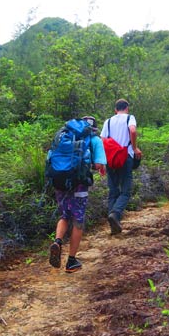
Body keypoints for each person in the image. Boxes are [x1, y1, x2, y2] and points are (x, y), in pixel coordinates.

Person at [49, 116, 106, 273]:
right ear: (94, 128)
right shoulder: (94, 140)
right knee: (78, 220)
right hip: (79, 184)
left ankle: (58, 242)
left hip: (60, 181)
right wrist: (93, 165)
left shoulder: (63, 135)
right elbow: (100, 164)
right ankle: (71, 261)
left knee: (64, 216)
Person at [100, 99, 141, 235]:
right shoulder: (130, 118)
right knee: (126, 191)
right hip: (125, 157)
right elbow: (133, 131)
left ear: (115, 109)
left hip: (111, 159)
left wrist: (102, 161)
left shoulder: (108, 121)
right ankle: (115, 214)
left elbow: (102, 140)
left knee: (113, 191)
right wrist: (134, 148)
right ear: (127, 108)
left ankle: (113, 225)